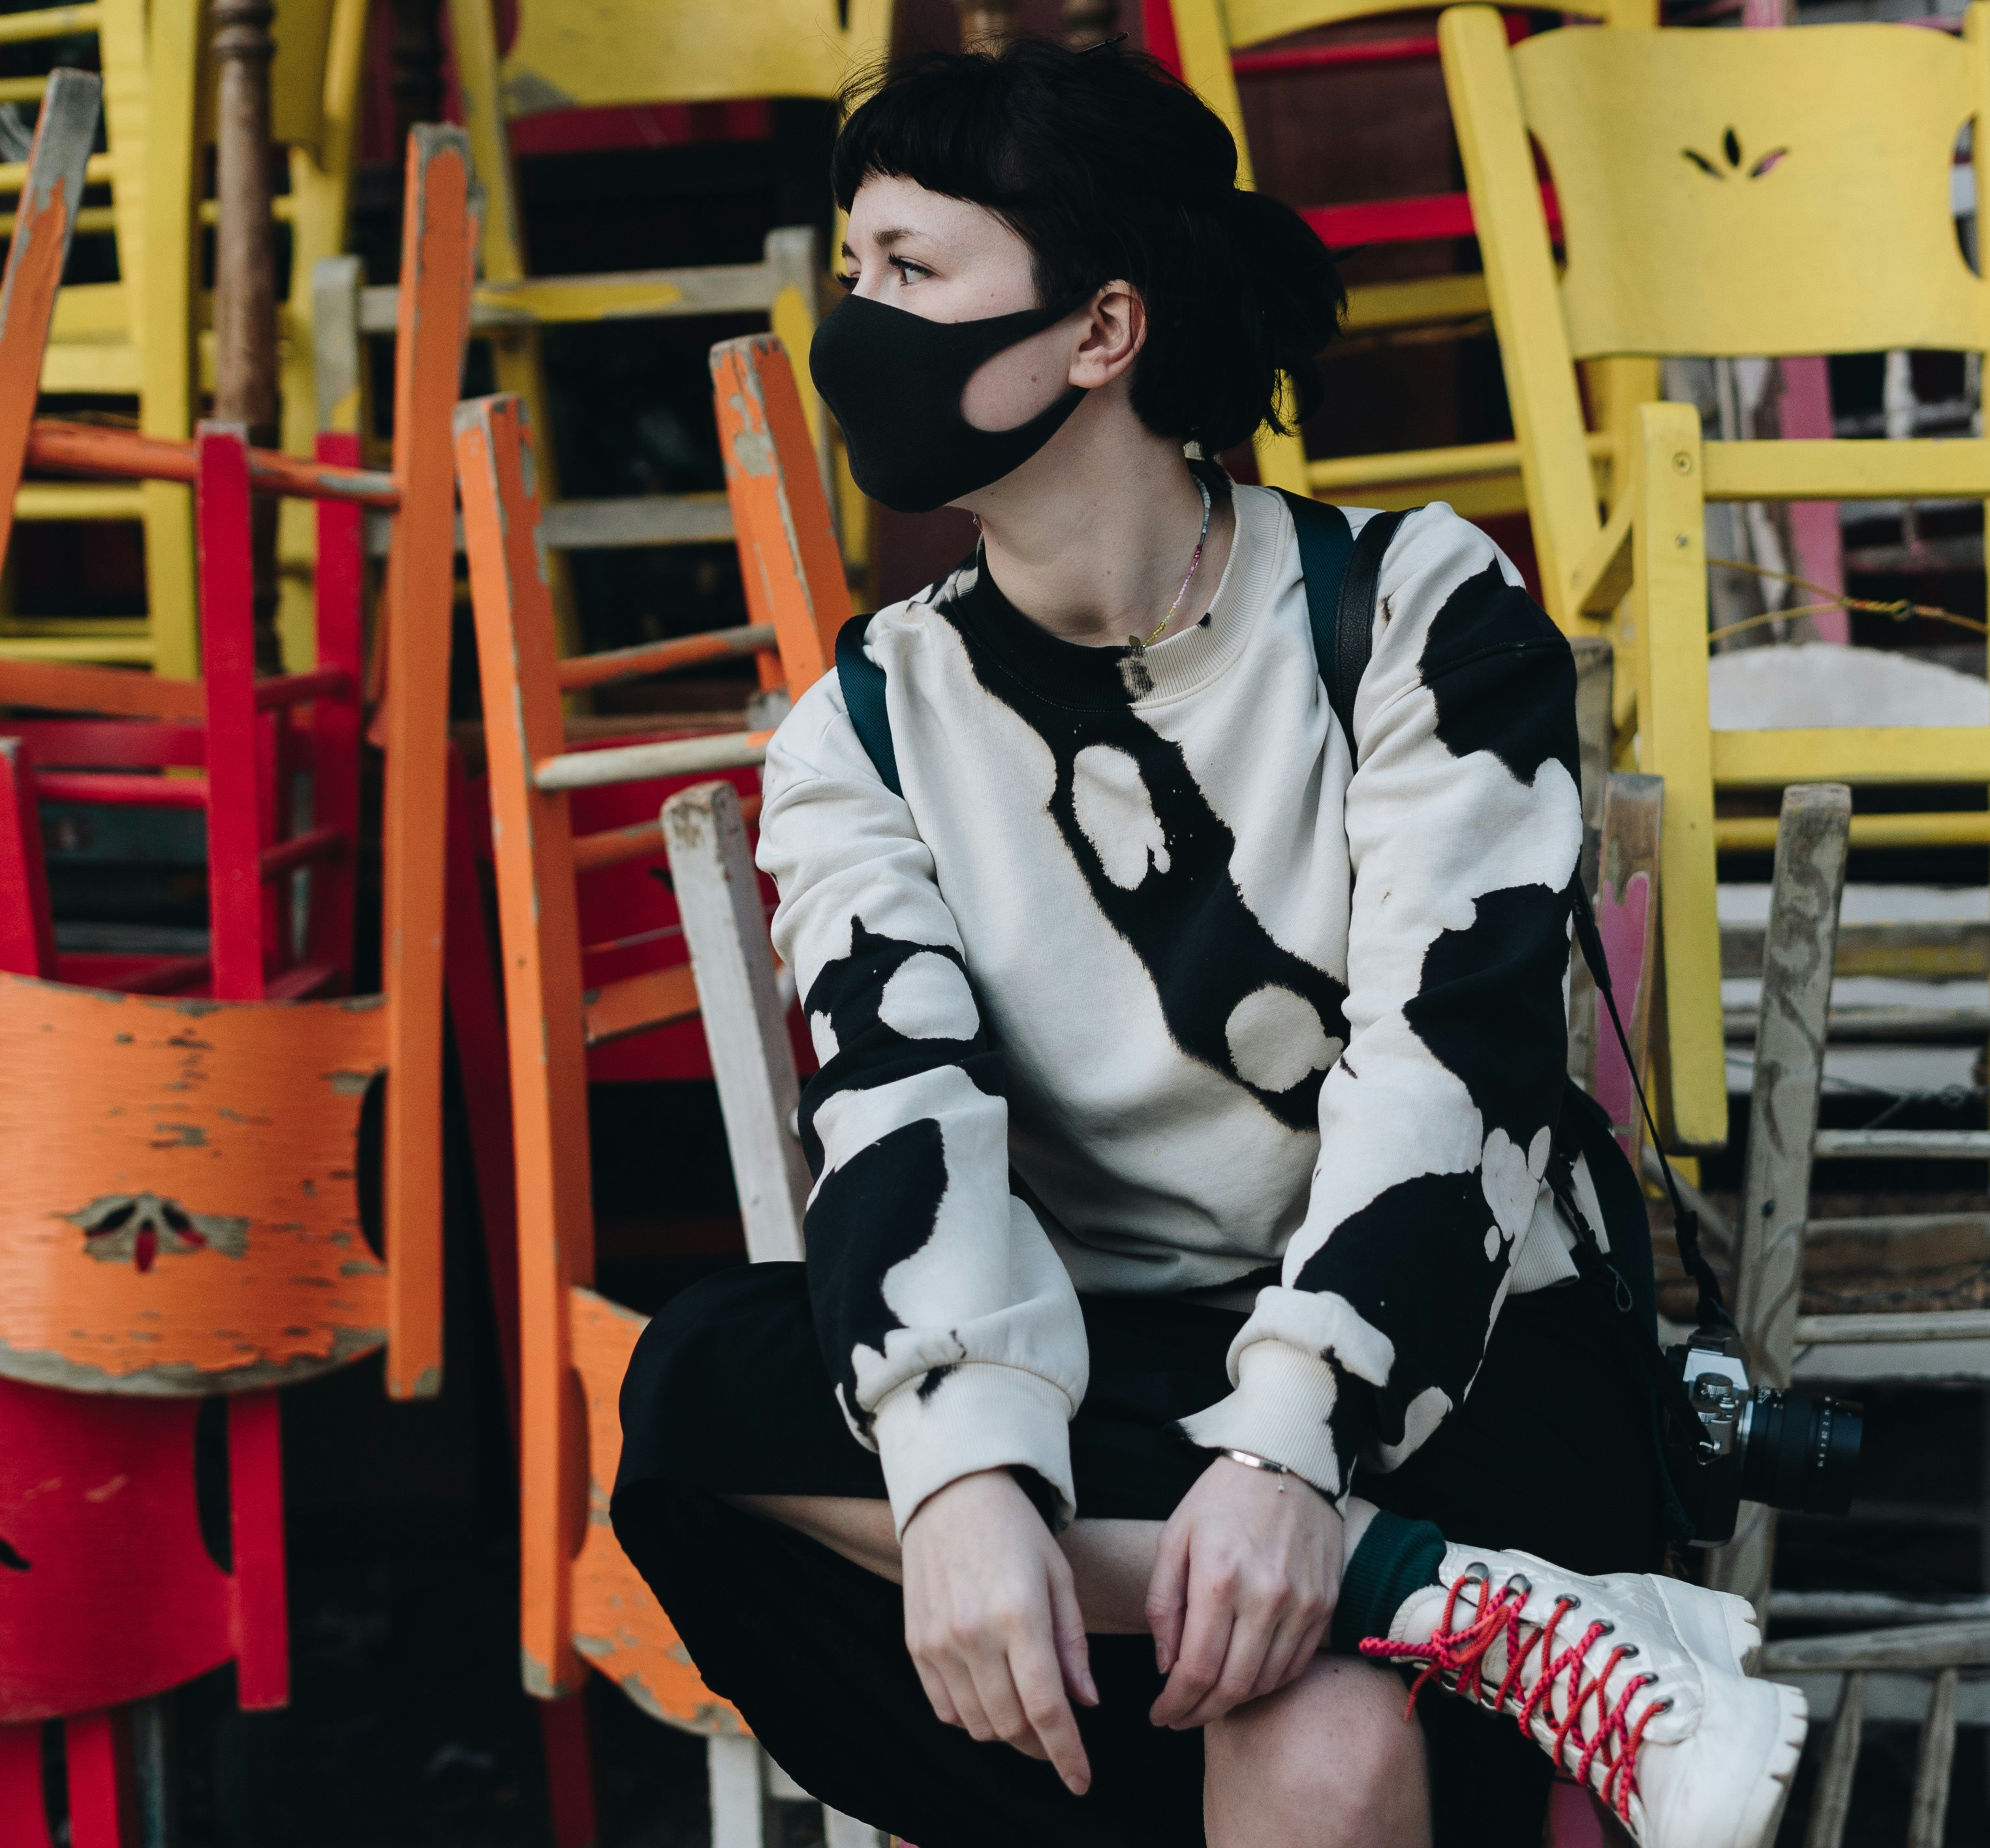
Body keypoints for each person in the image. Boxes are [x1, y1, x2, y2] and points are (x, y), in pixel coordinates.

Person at [610, 37, 1805, 1848]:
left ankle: (1390, 1566)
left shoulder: (1412, 608)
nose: (856, 330)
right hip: (1109, 1384)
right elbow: (901, 1112)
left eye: (912, 271)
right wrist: (959, 1475)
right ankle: (1460, 1609)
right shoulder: (861, 726)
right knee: (696, 1380)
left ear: (1103, 331)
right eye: (855, 272)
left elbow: (1451, 1070)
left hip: (1456, 1357)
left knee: (1312, 1742)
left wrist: (1294, 1447)